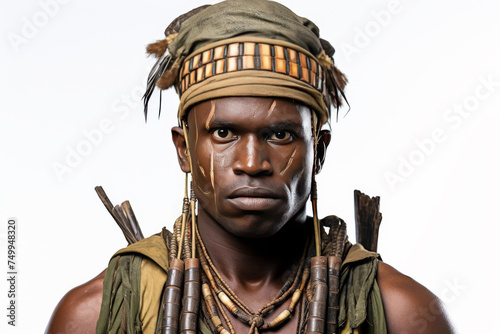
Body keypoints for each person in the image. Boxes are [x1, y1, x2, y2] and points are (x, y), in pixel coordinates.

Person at [46, 0, 455, 333]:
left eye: (280, 135)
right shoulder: (95, 315)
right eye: (223, 133)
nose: (252, 163)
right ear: (184, 149)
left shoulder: (404, 314)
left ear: (321, 152)